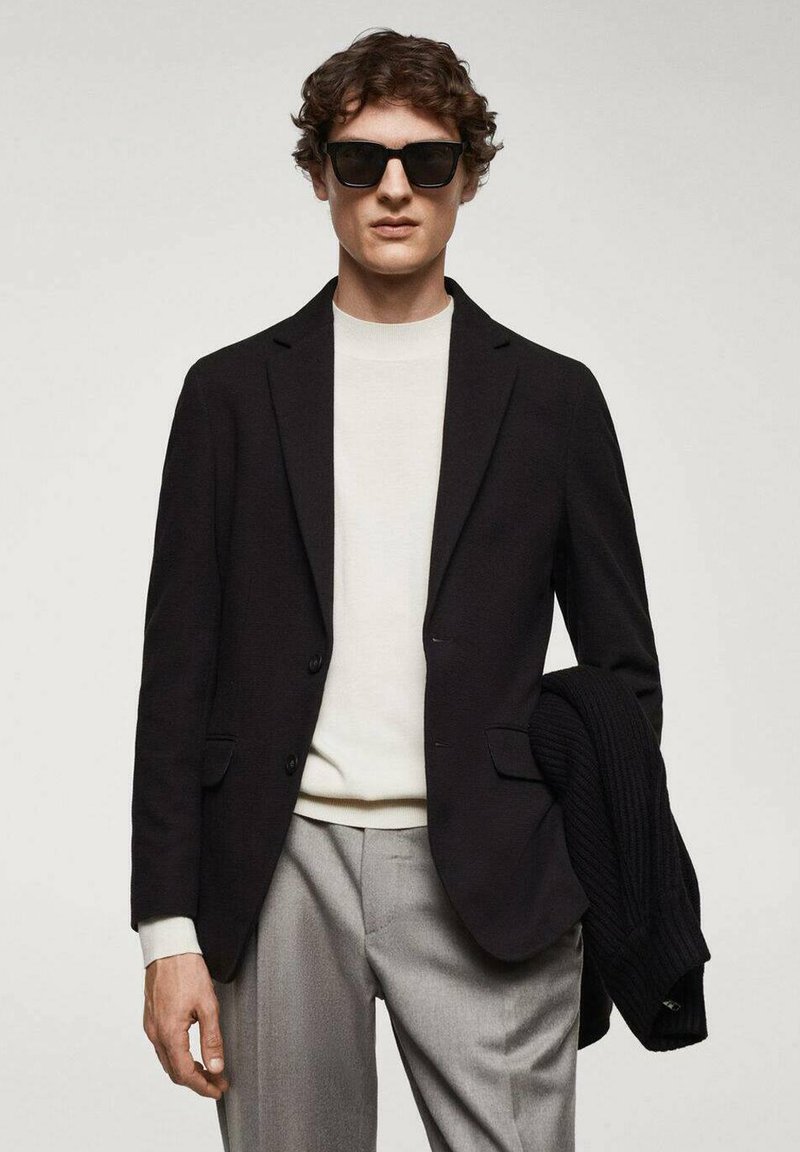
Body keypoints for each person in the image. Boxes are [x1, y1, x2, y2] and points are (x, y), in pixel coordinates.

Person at [131, 28, 663, 1152]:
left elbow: (624, 675)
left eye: (426, 161)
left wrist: (562, 852)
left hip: (491, 873)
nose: (392, 188)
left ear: (466, 175)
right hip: (277, 869)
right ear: (317, 174)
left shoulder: (553, 402)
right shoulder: (228, 397)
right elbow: (176, 679)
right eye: (358, 159)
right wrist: (167, 930)